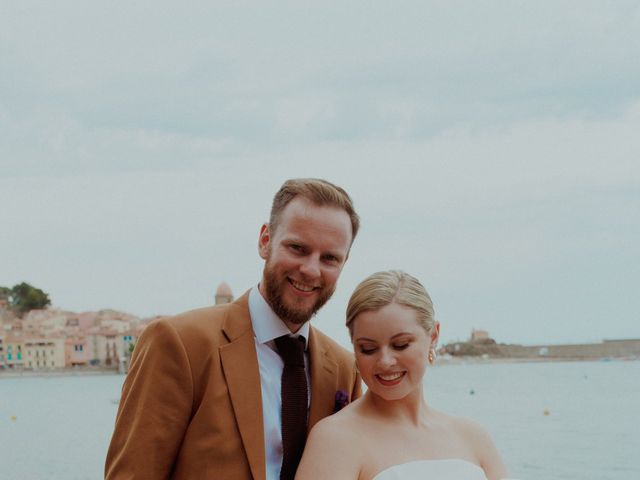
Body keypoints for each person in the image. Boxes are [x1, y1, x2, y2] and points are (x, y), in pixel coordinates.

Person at [105, 178, 362, 480]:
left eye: (330, 258)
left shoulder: (345, 369)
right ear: (265, 240)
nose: (310, 269)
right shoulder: (178, 344)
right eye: (297, 248)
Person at [296, 270, 510, 480]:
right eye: (368, 349)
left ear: (433, 336)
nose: (385, 361)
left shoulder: (473, 437)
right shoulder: (335, 439)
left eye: (401, 345)